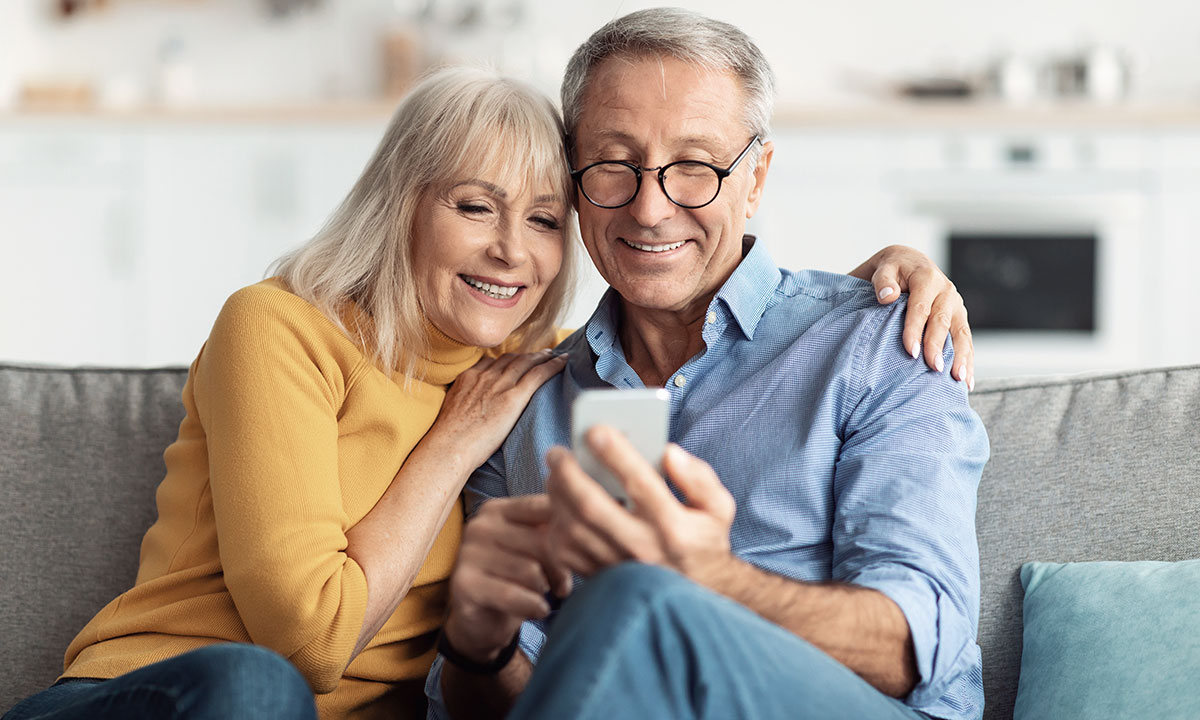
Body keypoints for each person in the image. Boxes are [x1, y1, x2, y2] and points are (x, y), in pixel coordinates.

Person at [4, 67, 968, 720]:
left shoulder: (540, 368)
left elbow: (708, 289)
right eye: (474, 207)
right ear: (401, 207)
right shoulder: (289, 329)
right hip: (176, 692)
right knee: (256, 689)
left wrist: (888, 280)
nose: (512, 249)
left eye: (543, 218)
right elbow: (308, 643)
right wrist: (451, 449)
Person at [428, 9, 988, 720]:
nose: (651, 209)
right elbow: (504, 705)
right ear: (573, 179)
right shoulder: (524, 406)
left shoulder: (883, 341)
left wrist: (713, 580)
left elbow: (918, 646)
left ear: (755, 178)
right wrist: (481, 646)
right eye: (613, 165)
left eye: (695, 167)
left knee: (633, 595)